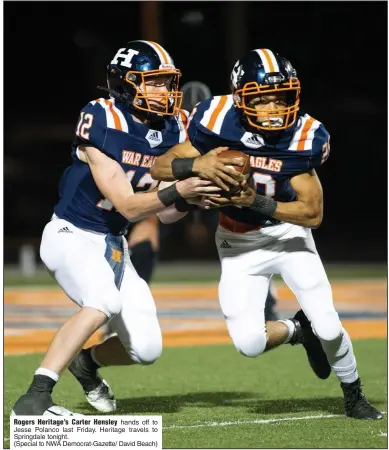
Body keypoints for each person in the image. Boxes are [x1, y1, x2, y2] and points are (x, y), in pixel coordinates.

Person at [150, 48, 382, 420]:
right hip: (237, 242)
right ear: (242, 99)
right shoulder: (215, 118)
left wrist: (254, 201)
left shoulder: (305, 135)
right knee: (249, 343)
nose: (274, 108)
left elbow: (313, 214)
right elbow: (160, 166)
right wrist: (198, 163)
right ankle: (297, 328)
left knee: (329, 324)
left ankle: (353, 393)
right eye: (263, 98)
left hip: (288, 236)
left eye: (281, 98)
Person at [11, 40, 224, 416]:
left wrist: (192, 198)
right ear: (126, 84)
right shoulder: (103, 118)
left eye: (167, 82)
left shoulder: (174, 129)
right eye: (154, 82)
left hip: (114, 246)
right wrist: (181, 187)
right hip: (71, 235)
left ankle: (86, 363)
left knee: (146, 349)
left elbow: (164, 212)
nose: (165, 92)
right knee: (103, 302)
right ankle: (36, 397)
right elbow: (127, 204)